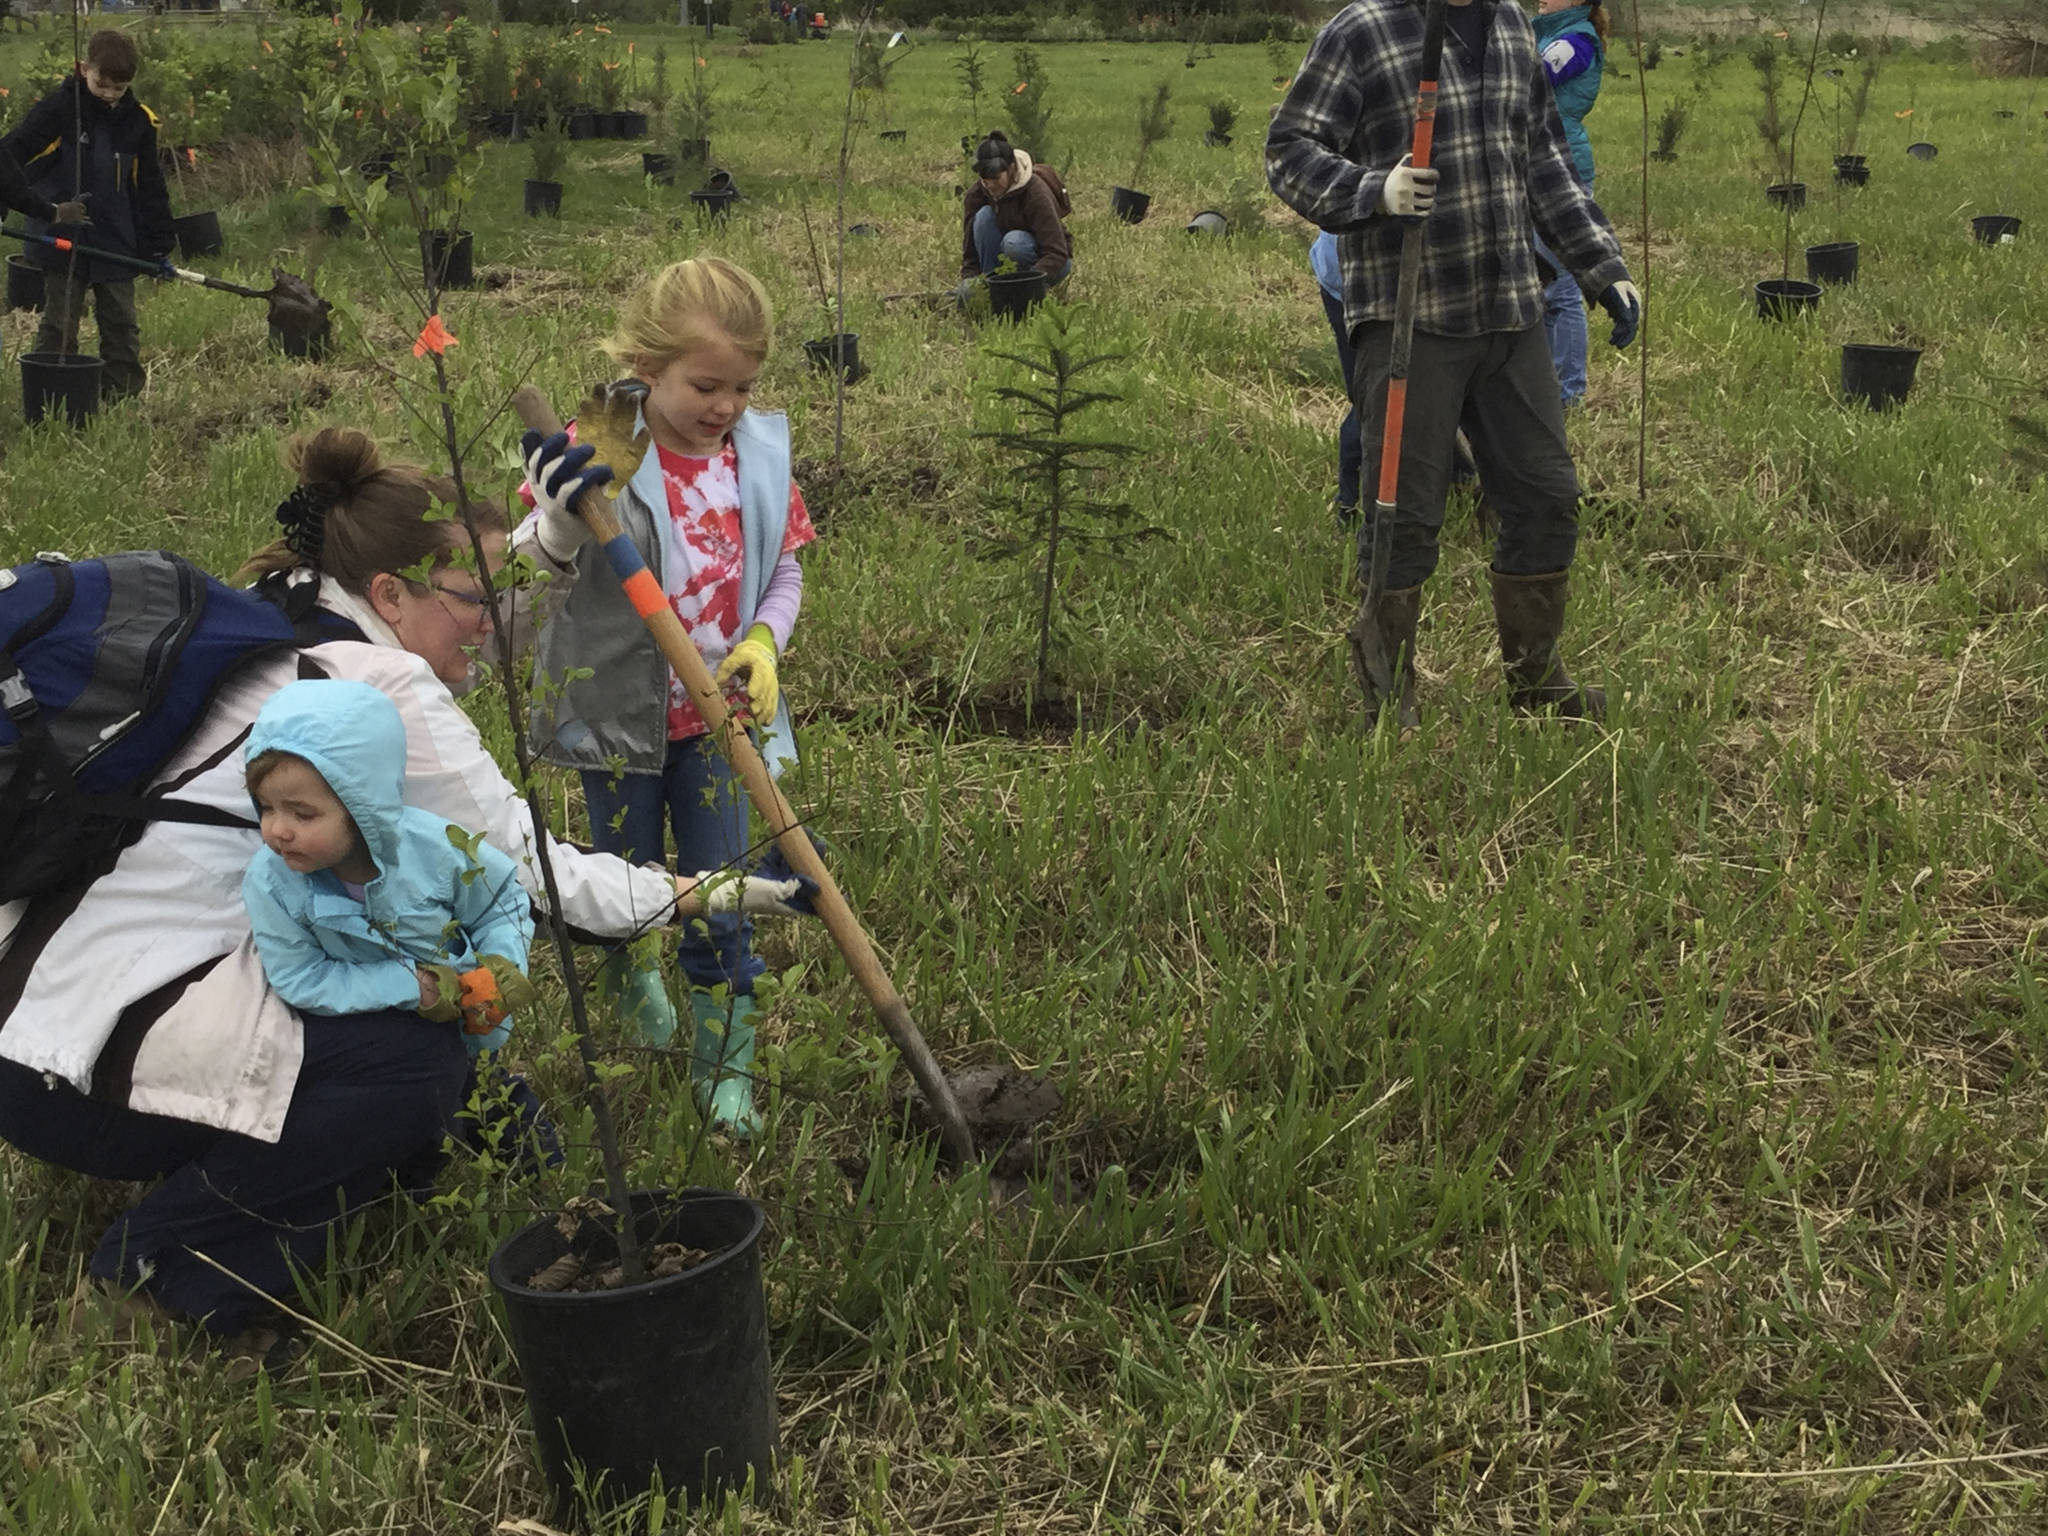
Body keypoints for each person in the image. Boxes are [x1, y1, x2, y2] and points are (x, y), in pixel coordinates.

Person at [0, 427, 804, 1351]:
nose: (497, 623)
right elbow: (542, 885)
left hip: (32, 1039)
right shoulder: (377, 692)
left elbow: (469, 593)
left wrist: (554, 533)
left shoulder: (279, 613)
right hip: (86, 1081)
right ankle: (158, 1270)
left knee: (410, 962)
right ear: (389, 593)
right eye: (476, 599)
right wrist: (727, 891)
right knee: (418, 1061)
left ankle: (348, 1163)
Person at [1266, 0, 1641, 727]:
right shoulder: (1363, 31)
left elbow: (1546, 161)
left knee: (1546, 495)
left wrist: (1603, 266)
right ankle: (1387, 692)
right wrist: (1374, 190)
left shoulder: (1508, 29)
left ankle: (1535, 678)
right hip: (1413, 320)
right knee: (1402, 514)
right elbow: (1290, 151)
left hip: (1509, 311)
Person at [516, 256, 816, 1140]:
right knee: (629, 873)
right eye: (706, 384)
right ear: (647, 367)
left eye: (743, 386)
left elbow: (785, 568)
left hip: (721, 723)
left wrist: (764, 642)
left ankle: (726, 1064)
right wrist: (564, 506)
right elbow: (533, 564)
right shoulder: (599, 447)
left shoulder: (756, 458)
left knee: (726, 886)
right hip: (616, 721)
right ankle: (630, 970)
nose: (725, 405)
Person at [242, 678, 537, 1058]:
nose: (278, 829)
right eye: (266, 807)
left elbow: (501, 906)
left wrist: (500, 966)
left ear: (363, 808)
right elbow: (301, 975)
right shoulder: (272, 883)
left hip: (471, 1027)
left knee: (491, 1100)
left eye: (302, 814)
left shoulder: (435, 850)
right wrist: (413, 986)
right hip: (367, 1038)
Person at [0, 29, 175, 401]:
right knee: (59, 323)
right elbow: (11, 155)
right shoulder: (58, 110)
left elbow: (148, 186)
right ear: (84, 69)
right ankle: (51, 396)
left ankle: (121, 395)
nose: (110, 94)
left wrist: (158, 244)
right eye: (102, 84)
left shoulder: (140, 123)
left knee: (121, 323)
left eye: (120, 88)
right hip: (60, 238)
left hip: (116, 238)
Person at [1533, 0, 1608, 408]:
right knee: (1538, 283)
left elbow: (1533, 77)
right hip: (1537, 166)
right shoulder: (1546, 32)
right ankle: (1545, 381)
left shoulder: (1576, 40)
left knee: (1559, 287)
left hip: (1564, 170)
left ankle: (1568, 392)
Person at [955, 131, 1072, 307]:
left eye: (996, 178)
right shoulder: (976, 195)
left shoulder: (1036, 194)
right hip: (1005, 258)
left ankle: (1025, 295)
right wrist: (971, 282)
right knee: (983, 217)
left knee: (1014, 243)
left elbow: (1057, 253)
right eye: (984, 179)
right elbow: (970, 254)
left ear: (1011, 168)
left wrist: (1026, 285)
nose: (989, 185)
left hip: (1049, 263)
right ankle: (995, 289)